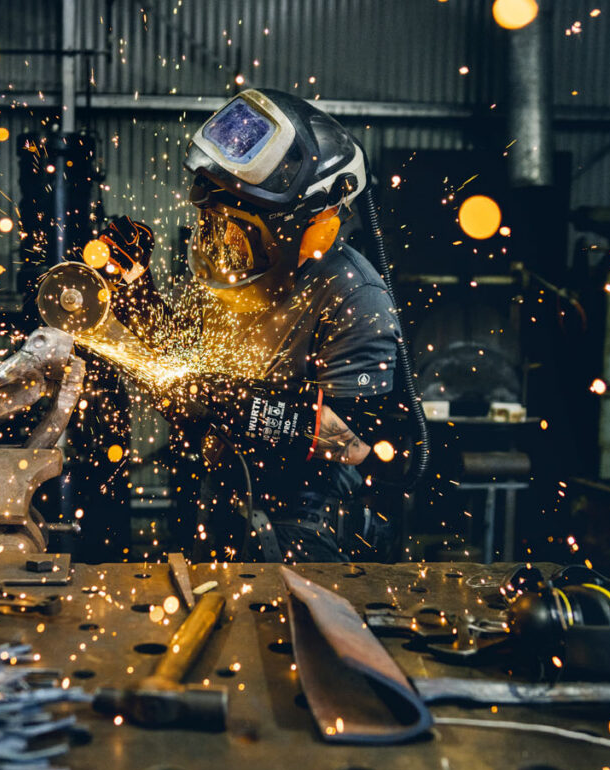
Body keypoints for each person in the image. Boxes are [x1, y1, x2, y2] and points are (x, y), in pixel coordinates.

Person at [98, 89, 425, 563]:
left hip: (307, 532)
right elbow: (184, 363)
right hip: (226, 501)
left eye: (233, 231)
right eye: (211, 226)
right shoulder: (231, 275)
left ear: (308, 228)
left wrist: (226, 401)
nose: (218, 247)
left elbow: (352, 444)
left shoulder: (355, 297)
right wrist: (136, 290)